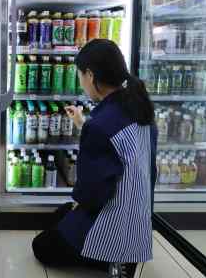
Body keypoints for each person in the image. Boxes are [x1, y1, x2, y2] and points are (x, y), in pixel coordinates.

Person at [32, 39, 157, 278]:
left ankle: (109, 260)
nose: (81, 82)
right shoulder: (139, 107)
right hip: (138, 220)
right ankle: (115, 256)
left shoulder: (100, 125)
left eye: (80, 75)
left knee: (41, 246)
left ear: (90, 75)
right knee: (62, 214)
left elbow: (93, 189)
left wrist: (80, 203)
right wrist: (83, 124)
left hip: (112, 224)